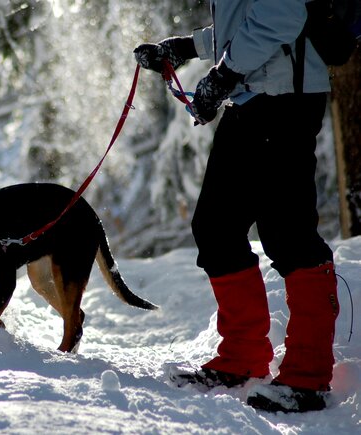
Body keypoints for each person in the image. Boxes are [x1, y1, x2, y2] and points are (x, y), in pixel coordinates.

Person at [133, 0, 339, 413]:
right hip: (253, 97)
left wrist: (224, 74)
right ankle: (242, 358)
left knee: (288, 234)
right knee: (216, 228)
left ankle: (307, 377)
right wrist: (187, 48)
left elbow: (284, 15)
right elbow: (245, 23)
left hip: (286, 99)